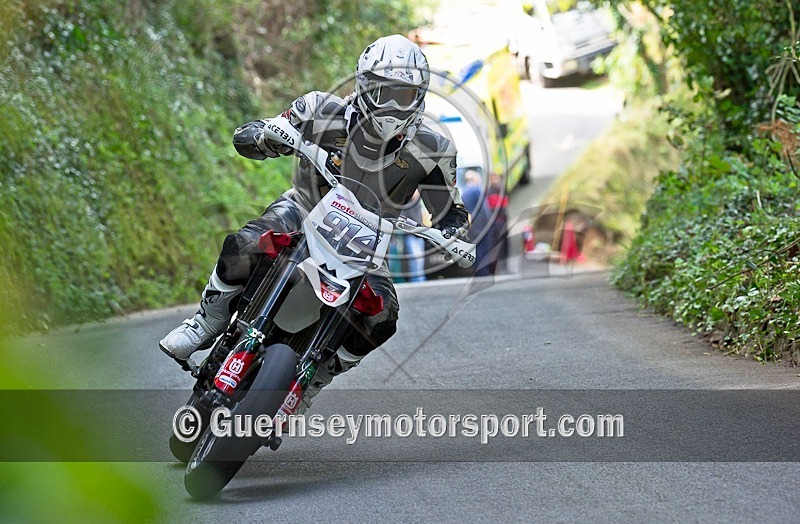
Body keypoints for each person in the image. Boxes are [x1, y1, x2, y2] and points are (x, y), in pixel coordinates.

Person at [159, 34, 469, 410]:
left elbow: (451, 210)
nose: (390, 105)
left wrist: (453, 233)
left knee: (382, 315)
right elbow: (253, 136)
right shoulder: (321, 110)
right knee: (245, 244)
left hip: (369, 243)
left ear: (418, 98)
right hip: (303, 209)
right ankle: (206, 322)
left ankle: (316, 376)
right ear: (362, 84)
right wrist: (265, 135)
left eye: (401, 95)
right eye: (381, 91)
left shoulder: (433, 149)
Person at [460, 169, 496, 276]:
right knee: (484, 248)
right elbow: (485, 209)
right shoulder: (476, 191)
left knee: (476, 249)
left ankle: (479, 270)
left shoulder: (464, 193)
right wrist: (490, 221)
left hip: (471, 226)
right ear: (474, 179)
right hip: (481, 225)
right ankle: (484, 271)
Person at [486, 172, 509, 272]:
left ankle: (506, 263)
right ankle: (498, 266)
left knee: (505, 243)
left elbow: (506, 202)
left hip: (504, 220)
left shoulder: (502, 189)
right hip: (496, 222)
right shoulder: (489, 192)